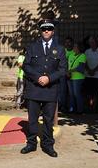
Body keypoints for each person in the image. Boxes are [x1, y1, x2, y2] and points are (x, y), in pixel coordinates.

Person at [21, 13, 67, 158]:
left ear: (53, 31)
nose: (46, 31)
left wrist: (49, 78)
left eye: (49, 28)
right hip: (34, 88)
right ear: (40, 31)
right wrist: (38, 77)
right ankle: (31, 143)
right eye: (43, 29)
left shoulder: (59, 49)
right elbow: (26, 66)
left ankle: (48, 145)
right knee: (33, 118)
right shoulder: (32, 47)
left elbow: (63, 69)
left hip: (50, 88)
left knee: (48, 120)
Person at [84, 36, 98, 113]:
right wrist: (89, 70)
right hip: (88, 75)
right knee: (88, 93)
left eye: (93, 42)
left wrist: (93, 70)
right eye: (90, 42)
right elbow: (85, 62)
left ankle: (95, 108)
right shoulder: (87, 51)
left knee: (97, 93)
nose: (91, 43)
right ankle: (89, 107)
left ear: (96, 43)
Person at [67, 41, 86, 114]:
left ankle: (80, 110)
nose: (73, 47)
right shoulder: (71, 55)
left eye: (75, 46)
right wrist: (67, 72)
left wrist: (70, 71)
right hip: (70, 77)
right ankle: (71, 109)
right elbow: (67, 65)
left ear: (79, 48)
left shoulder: (82, 56)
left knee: (76, 94)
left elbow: (80, 68)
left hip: (78, 78)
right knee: (71, 94)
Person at [59, 36, 75, 112]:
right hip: (62, 74)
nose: (68, 44)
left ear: (72, 43)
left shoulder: (75, 51)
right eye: (66, 42)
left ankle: (71, 107)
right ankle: (62, 106)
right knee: (62, 91)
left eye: (69, 42)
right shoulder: (62, 51)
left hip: (72, 75)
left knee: (71, 92)